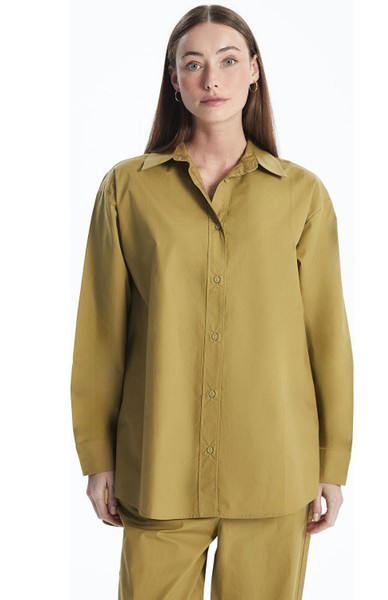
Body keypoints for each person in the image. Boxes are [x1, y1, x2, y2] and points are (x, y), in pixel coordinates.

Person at [70, 4, 354, 598]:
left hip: (275, 470)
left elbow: (326, 338)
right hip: (159, 467)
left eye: (227, 61)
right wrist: (97, 455)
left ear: (254, 70)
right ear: (174, 79)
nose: (211, 79)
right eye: (193, 64)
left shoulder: (302, 195)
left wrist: (331, 463)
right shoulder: (127, 189)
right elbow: (101, 333)